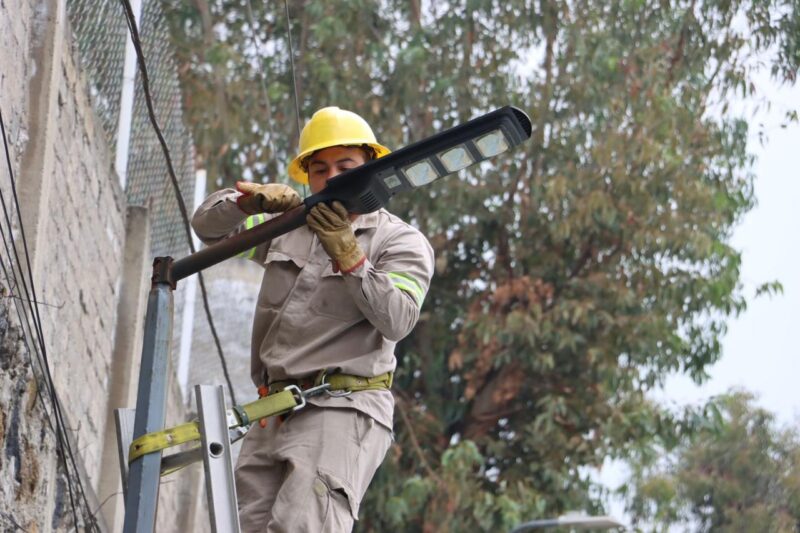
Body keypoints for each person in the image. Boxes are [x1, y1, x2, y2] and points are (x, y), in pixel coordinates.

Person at [191, 106, 435, 532]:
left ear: (371, 168)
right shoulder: (286, 227)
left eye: (346, 166)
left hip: (341, 407)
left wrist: (351, 258)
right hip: (273, 409)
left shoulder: (399, 241)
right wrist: (248, 203)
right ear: (307, 176)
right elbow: (209, 231)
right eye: (320, 169)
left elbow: (398, 319)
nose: (332, 177)